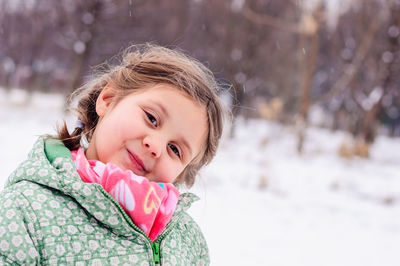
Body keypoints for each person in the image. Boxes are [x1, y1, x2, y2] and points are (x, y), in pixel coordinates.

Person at [0, 44, 224, 265]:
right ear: (107, 100)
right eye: (151, 118)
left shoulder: (187, 240)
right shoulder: (24, 211)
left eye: (175, 149)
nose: (155, 146)